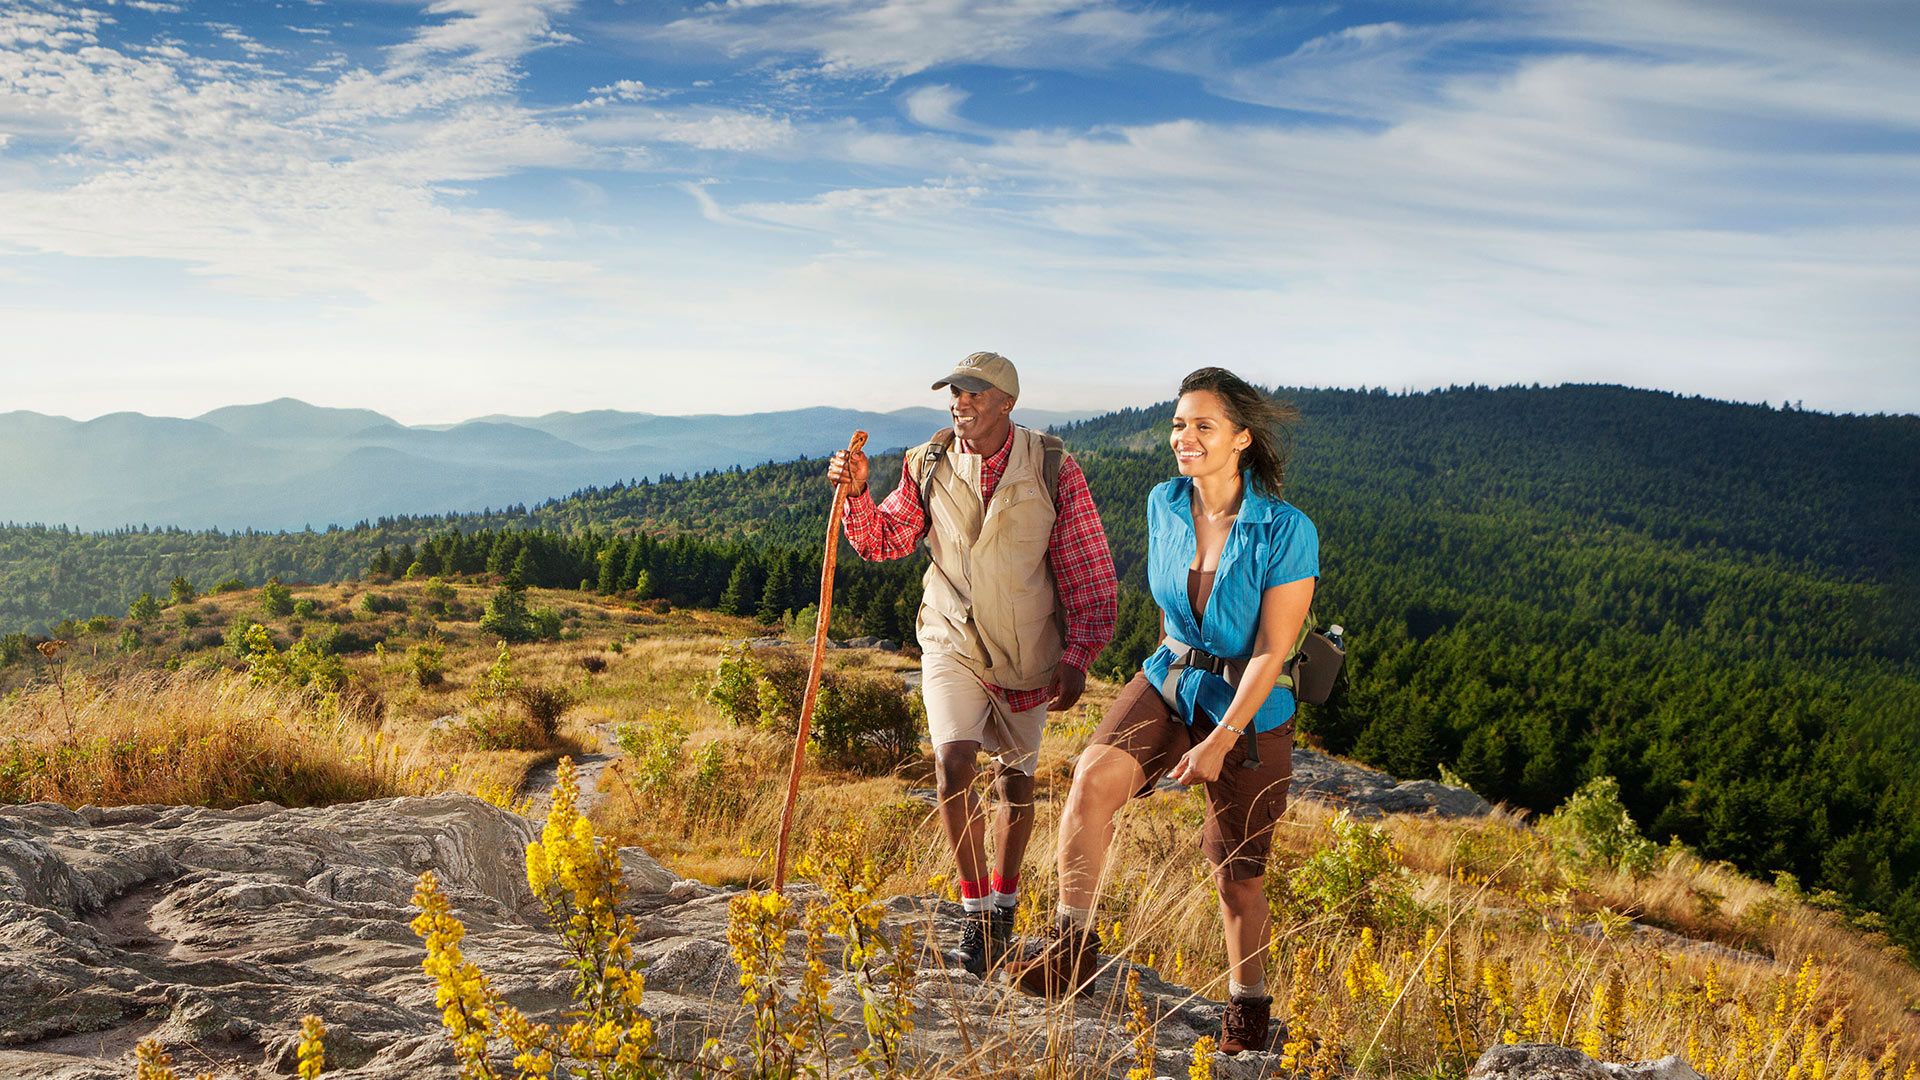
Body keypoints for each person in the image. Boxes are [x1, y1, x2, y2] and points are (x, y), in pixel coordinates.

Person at [1006, 367, 1316, 1056]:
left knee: (1236, 871)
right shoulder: (1164, 503)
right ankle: (1070, 951)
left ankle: (1249, 1013)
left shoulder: (1285, 529)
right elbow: (1169, 603)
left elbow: (1272, 650)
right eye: (1179, 424)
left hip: (1248, 705)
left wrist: (1218, 741)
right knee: (1089, 782)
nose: (1184, 437)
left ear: (1241, 438)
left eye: (1203, 425)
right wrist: (1156, 694)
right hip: (1171, 675)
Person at [827, 351, 1118, 976]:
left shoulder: (1053, 467)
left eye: (974, 394)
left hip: (1026, 647)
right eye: (954, 393)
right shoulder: (926, 463)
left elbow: (1086, 565)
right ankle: (975, 911)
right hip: (950, 635)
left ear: (1006, 403)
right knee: (952, 762)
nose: (959, 402)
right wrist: (857, 496)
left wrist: (1078, 653)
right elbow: (887, 540)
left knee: (1016, 784)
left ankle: (1005, 905)